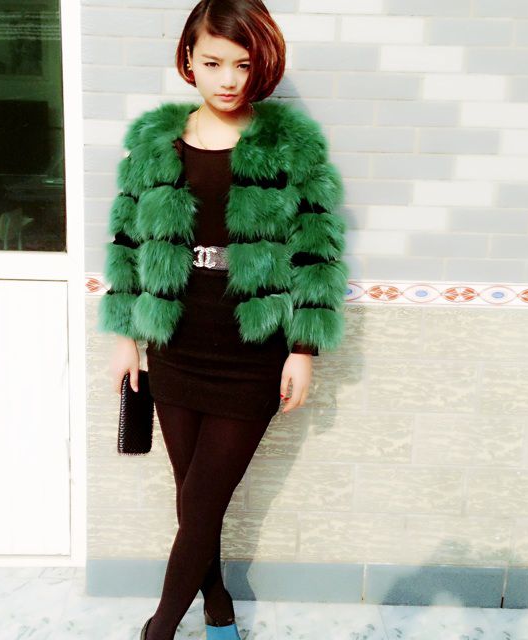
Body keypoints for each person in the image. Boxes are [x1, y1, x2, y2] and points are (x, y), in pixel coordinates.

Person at [98, 2, 349, 638]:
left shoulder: (291, 146)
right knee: (192, 496)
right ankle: (217, 600)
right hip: (176, 342)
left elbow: (317, 251)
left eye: (243, 64)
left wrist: (303, 349)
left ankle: (159, 629)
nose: (229, 79)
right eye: (213, 63)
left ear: (263, 65)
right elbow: (126, 242)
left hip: (251, 348)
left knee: (204, 497)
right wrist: (126, 336)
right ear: (188, 58)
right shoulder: (154, 143)